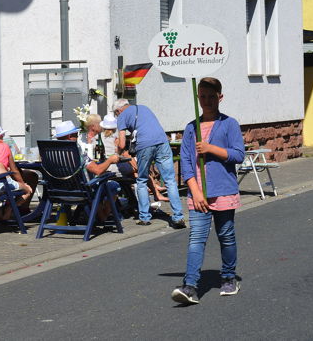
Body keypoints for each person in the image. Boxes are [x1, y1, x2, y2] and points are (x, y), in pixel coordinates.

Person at [171, 77, 245, 305]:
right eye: (202, 96)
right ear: (198, 98)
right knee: (196, 239)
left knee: (226, 236)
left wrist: (212, 148)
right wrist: (195, 191)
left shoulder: (229, 124)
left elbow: (238, 155)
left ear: (220, 97)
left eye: (211, 96)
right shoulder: (191, 128)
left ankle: (229, 277)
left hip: (223, 189)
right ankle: (190, 286)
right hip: (199, 193)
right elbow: (185, 161)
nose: (207, 101)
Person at [114, 99, 185, 228]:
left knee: (141, 180)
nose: (117, 116)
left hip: (145, 145)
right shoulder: (144, 108)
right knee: (170, 180)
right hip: (162, 141)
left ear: (118, 110)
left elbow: (122, 143)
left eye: (116, 114)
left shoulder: (122, 116)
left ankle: (145, 217)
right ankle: (178, 216)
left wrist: (117, 151)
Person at [54, 120, 122, 222]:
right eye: (76, 135)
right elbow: (98, 170)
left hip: (57, 192)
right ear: (69, 136)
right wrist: (110, 160)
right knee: (112, 185)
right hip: (81, 192)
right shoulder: (76, 151)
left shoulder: (51, 152)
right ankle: (102, 217)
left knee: (94, 185)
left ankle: (90, 215)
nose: (77, 137)